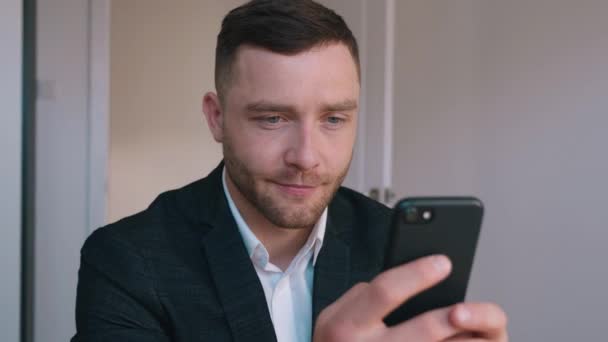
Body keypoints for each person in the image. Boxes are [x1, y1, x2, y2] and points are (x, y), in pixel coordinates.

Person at [72, 1, 508, 341]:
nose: (306, 156)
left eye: (333, 120)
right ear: (217, 117)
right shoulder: (127, 260)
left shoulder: (391, 248)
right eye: (272, 119)